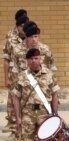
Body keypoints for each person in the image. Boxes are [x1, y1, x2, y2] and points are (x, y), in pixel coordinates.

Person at [11, 48, 60, 140]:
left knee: (46, 139)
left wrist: (55, 114)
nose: (33, 61)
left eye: (36, 58)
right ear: (27, 60)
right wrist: (18, 118)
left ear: (40, 59)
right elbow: (16, 98)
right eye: (31, 59)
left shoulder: (49, 75)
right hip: (27, 114)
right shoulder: (21, 76)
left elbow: (55, 95)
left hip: (45, 113)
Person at [2, 9, 29, 138]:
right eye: (21, 23)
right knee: (13, 101)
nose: (23, 26)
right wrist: (6, 78)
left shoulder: (31, 35)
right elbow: (6, 58)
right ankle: (14, 129)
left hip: (28, 75)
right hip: (15, 74)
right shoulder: (11, 36)